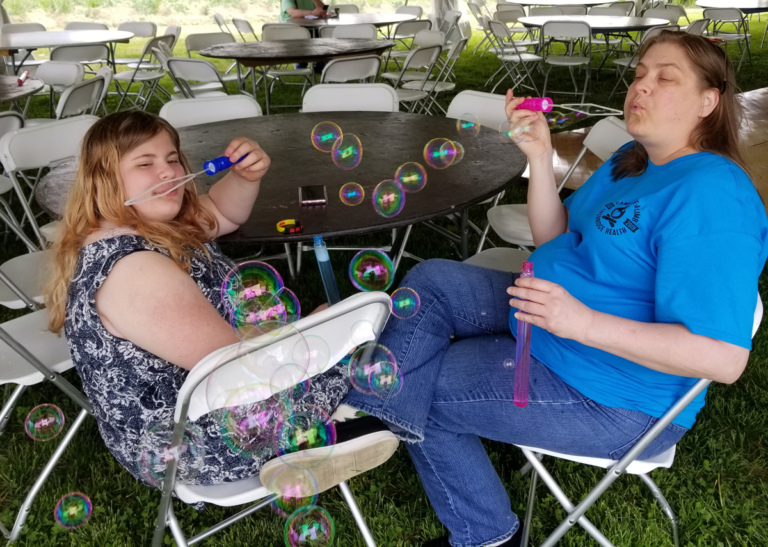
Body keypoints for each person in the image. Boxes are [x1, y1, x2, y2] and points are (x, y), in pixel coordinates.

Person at [333, 30, 768, 546]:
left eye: (665, 78)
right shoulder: (634, 159)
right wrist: (539, 157)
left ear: (708, 101)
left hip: (614, 396)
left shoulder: (713, 196)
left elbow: (722, 359)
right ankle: (370, 411)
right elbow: (556, 238)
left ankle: (484, 532)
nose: (641, 87)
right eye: (639, 74)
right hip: (548, 316)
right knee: (431, 282)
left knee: (418, 383)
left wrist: (581, 322)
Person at [46, 111, 397, 494]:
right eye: (144, 163)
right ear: (104, 179)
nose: (167, 172)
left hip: (201, 414)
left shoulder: (149, 226)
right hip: (215, 437)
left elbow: (223, 211)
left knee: (413, 321)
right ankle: (337, 428)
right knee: (406, 317)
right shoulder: (135, 271)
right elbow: (241, 370)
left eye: (172, 158)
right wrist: (314, 333)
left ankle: (370, 420)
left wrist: (245, 176)